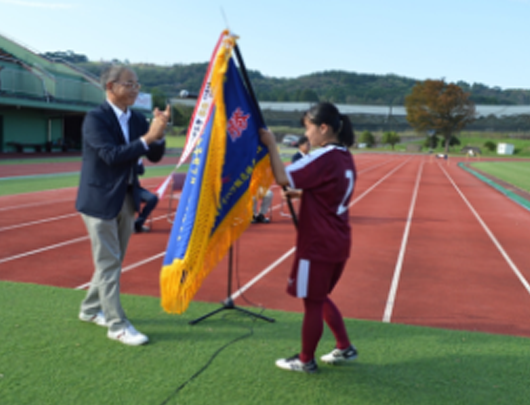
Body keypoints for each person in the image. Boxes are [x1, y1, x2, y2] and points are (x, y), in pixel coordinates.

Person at [259, 102, 358, 373]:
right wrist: (302, 194)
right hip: (338, 240)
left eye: (308, 128)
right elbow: (330, 191)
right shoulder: (344, 156)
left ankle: (305, 360)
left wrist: (270, 144)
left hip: (318, 243)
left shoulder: (323, 156)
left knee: (313, 301)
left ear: (323, 128)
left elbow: (282, 176)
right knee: (320, 296)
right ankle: (344, 346)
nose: (307, 136)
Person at [76, 65, 169, 346]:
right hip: (99, 201)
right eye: (129, 84)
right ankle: (117, 325)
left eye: (137, 84)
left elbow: (153, 155)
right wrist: (148, 137)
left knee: (112, 261)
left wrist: (159, 133)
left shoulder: (137, 119)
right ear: (110, 87)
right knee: (109, 262)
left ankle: (90, 309)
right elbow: (110, 155)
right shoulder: (96, 119)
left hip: (126, 198)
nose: (135, 89)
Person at [134, 159, 159, 233]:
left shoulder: (136, 157)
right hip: (121, 190)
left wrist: (137, 160)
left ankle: (138, 224)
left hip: (135, 189)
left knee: (153, 199)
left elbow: (141, 171)